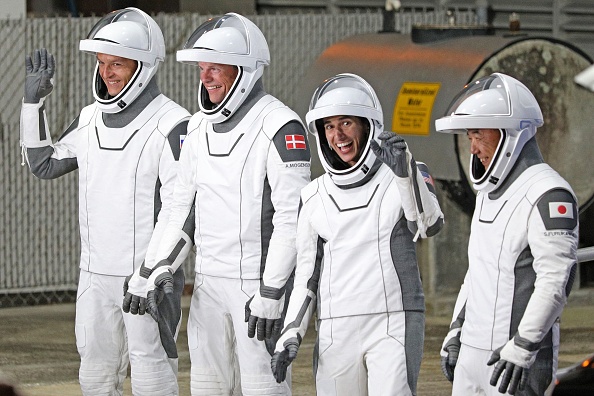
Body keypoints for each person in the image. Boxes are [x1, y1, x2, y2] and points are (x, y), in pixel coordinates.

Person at [126, 12, 311, 395]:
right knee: (207, 387)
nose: (205, 78)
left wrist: (273, 292)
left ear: (244, 71)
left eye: (216, 68)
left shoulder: (280, 126)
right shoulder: (196, 129)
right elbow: (179, 208)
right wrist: (150, 269)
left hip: (255, 289)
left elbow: (293, 221)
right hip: (208, 285)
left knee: (264, 388)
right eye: (202, 68)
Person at [19, 8, 192, 395]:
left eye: (118, 63)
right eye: (101, 63)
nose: (107, 73)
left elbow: (185, 210)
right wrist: (32, 105)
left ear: (144, 66)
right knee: (95, 378)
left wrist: (158, 270)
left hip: (145, 278)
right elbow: (42, 163)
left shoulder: (173, 124)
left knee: (152, 375)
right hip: (93, 276)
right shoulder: (90, 118)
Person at [270, 73, 444, 396]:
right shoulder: (313, 196)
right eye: (328, 126)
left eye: (346, 123)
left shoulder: (406, 173)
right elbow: (306, 277)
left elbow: (429, 225)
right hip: (336, 330)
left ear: (368, 125)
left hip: (394, 322)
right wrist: (290, 332)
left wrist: (405, 173)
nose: (338, 135)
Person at [435, 73, 579, 395]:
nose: (473, 149)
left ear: (509, 133)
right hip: (471, 356)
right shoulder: (488, 192)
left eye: (478, 135)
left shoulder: (549, 193)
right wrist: (456, 332)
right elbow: (478, 271)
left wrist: (524, 346)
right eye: (469, 136)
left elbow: (556, 280)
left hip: (514, 360)